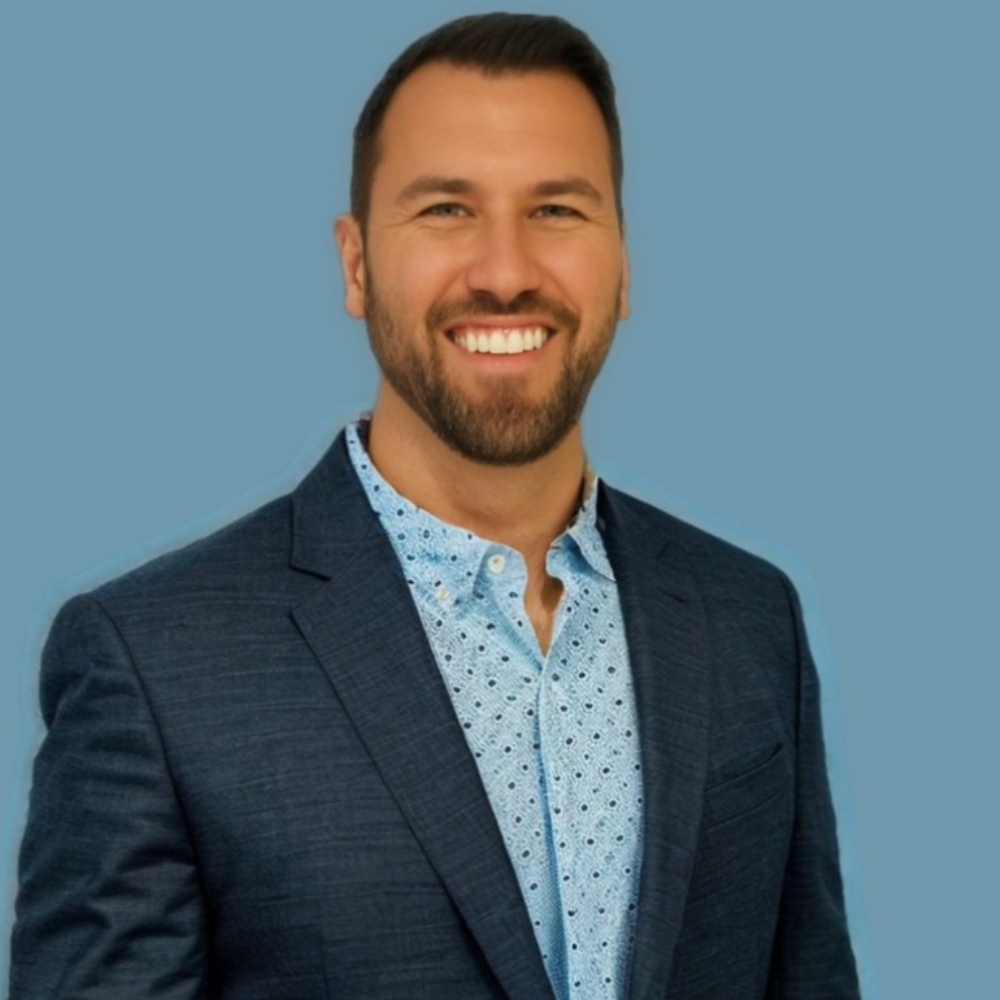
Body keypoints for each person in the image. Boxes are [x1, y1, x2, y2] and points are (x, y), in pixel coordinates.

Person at [9, 12, 861, 1000]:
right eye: (446, 209)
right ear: (357, 265)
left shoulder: (750, 618)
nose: (504, 273)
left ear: (623, 264)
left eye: (556, 209)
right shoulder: (154, 666)